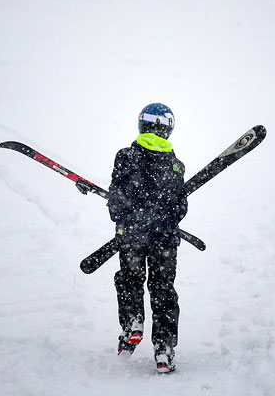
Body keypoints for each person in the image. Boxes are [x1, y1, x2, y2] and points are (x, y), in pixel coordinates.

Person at [107, 102, 188, 373]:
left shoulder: (126, 156)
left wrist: (125, 220)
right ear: (168, 129)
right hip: (164, 240)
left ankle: (133, 322)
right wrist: (162, 220)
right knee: (163, 289)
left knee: (129, 280)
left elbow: (116, 200)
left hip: (131, 236)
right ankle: (164, 349)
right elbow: (180, 209)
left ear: (142, 124)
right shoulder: (176, 166)